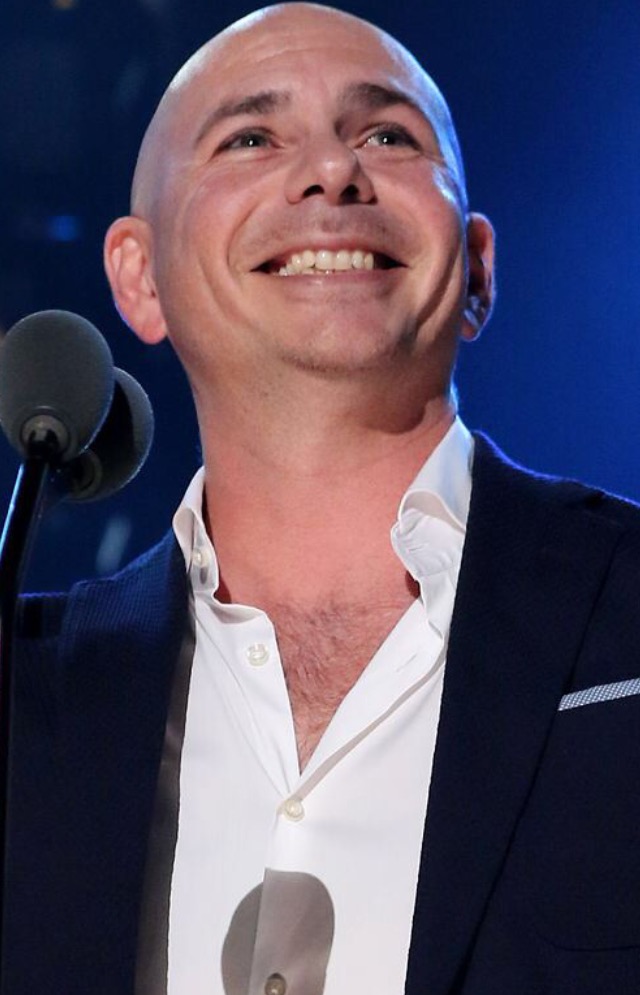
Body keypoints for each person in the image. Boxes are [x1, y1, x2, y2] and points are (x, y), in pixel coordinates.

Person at [7, 4, 640, 994]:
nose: (333, 170)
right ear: (140, 277)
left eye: (387, 135)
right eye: (250, 138)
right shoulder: (28, 696)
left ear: (477, 269)